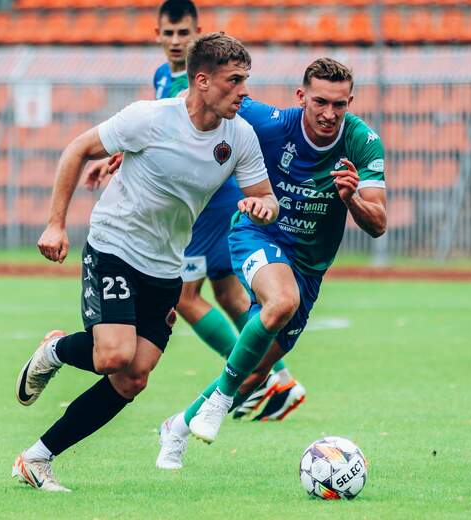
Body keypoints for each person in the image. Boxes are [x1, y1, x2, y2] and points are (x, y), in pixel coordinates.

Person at [11, 32, 279, 492]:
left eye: (245, 80)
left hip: (166, 267)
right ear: (202, 81)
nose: (243, 91)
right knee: (113, 355)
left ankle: (36, 459)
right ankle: (56, 350)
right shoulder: (149, 118)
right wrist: (56, 224)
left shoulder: (240, 136)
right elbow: (77, 149)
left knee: (133, 378)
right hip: (114, 247)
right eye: (234, 81)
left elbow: (265, 197)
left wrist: (263, 208)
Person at [156, 57, 387, 470]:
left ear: (350, 102)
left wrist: (351, 199)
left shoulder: (362, 141)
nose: (329, 113)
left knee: (253, 374)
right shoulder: (271, 123)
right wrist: (135, 150)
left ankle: (177, 427)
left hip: (309, 268)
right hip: (258, 234)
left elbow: (379, 224)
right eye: (320, 102)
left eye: (339, 104)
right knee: (281, 301)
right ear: (301, 97)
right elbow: (209, 101)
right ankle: (221, 401)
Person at [86, 0, 306, 422]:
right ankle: (277, 377)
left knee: (186, 298)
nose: (175, 41)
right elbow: (162, 139)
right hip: (207, 199)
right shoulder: (162, 76)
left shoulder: (201, 83)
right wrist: (117, 157)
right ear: (157, 35)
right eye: (168, 34)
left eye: (183, 34)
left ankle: (256, 376)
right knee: (227, 294)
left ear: (197, 35)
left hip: (206, 204)